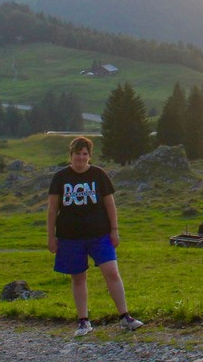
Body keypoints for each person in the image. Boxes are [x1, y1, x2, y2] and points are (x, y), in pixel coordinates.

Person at [47, 136, 143, 337]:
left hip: (100, 235)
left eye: (85, 154)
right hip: (70, 237)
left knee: (112, 272)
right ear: (71, 155)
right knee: (78, 278)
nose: (81, 158)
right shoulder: (60, 177)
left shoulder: (99, 174)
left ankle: (125, 317)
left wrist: (114, 230)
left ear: (89, 156)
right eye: (77, 154)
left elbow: (110, 204)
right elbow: (52, 209)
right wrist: (51, 236)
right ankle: (83, 321)